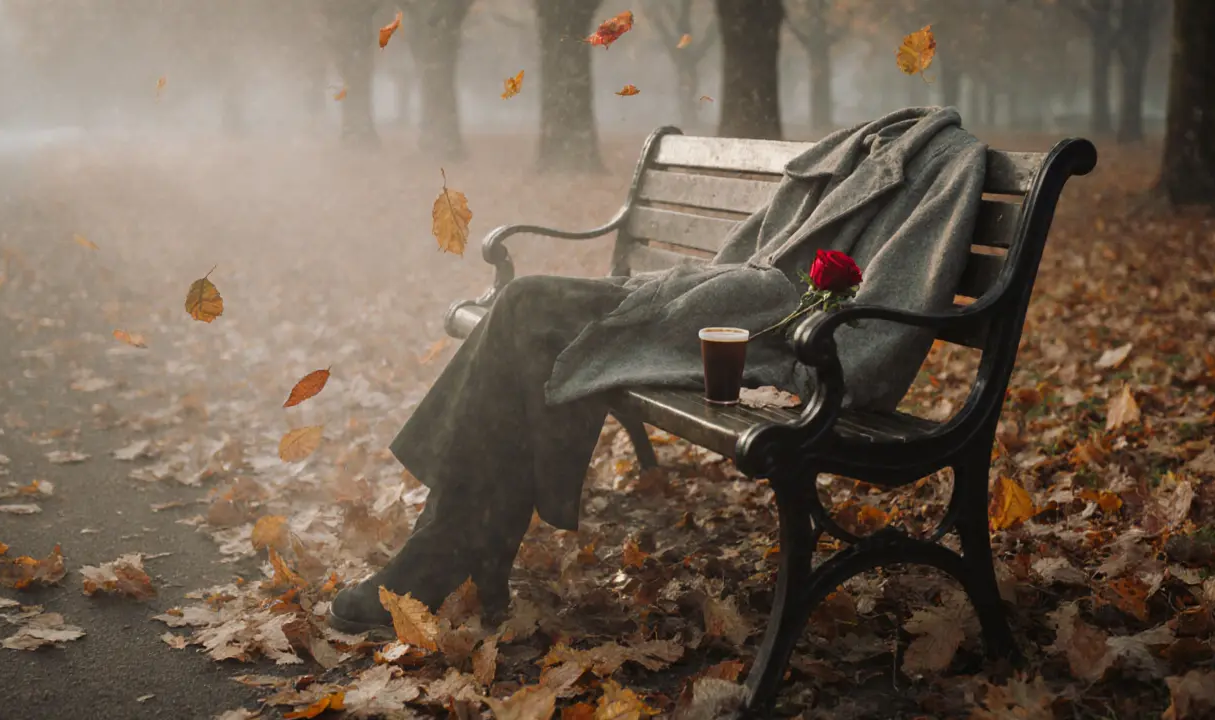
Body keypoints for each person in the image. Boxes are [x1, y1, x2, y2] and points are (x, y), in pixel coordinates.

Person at [328, 107, 988, 632]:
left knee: (527, 309)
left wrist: (802, 316)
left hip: (763, 330)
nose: (882, 148)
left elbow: (888, 315)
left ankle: (453, 547)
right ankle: (462, 545)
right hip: (718, 298)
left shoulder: (948, 170)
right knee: (525, 312)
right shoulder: (863, 161)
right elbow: (762, 246)